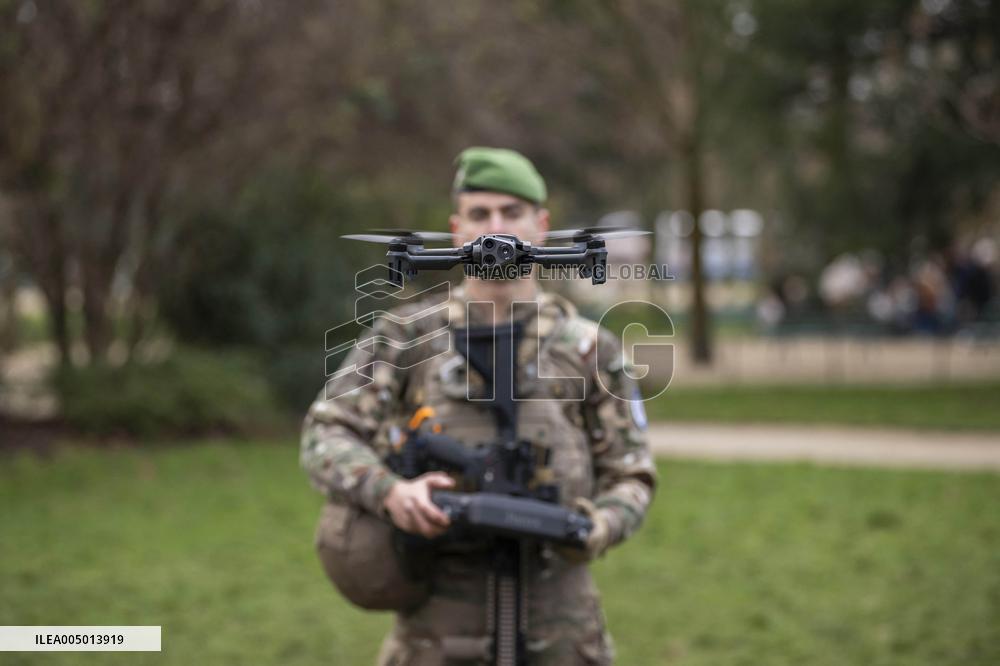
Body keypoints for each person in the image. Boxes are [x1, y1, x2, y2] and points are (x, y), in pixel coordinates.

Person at [301, 147, 657, 665]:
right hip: (438, 632)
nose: (497, 228)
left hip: (561, 633)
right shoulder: (405, 339)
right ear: (456, 228)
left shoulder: (589, 350)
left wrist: (595, 527)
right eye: (480, 214)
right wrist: (392, 493)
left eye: (512, 213)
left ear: (541, 224)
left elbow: (633, 474)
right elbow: (324, 435)